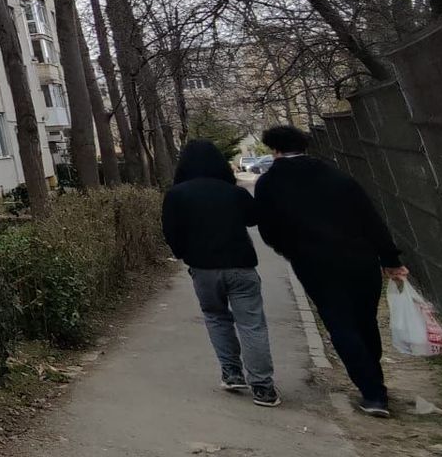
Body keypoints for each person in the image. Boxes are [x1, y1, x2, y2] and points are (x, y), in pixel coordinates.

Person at [254, 123, 409, 417]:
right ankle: (374, 379)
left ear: (274, 149)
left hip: (314, 263)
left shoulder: (269, 183)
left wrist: (290, 250)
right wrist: (390, 258)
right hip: (360, 258)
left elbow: (268, 229)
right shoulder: (336, 175)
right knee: (365, 320)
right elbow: (370, 218)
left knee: (339, 323)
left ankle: (373, 392)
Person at [162, 140, 279, 406]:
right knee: (251, 324)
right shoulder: (233, 192)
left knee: (216, 318)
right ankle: (263, 387)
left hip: (203, 268)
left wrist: (183, 253)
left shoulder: (177, 195)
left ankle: (232, 373)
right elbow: (253, 218)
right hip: (241, 265)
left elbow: (170, 231)